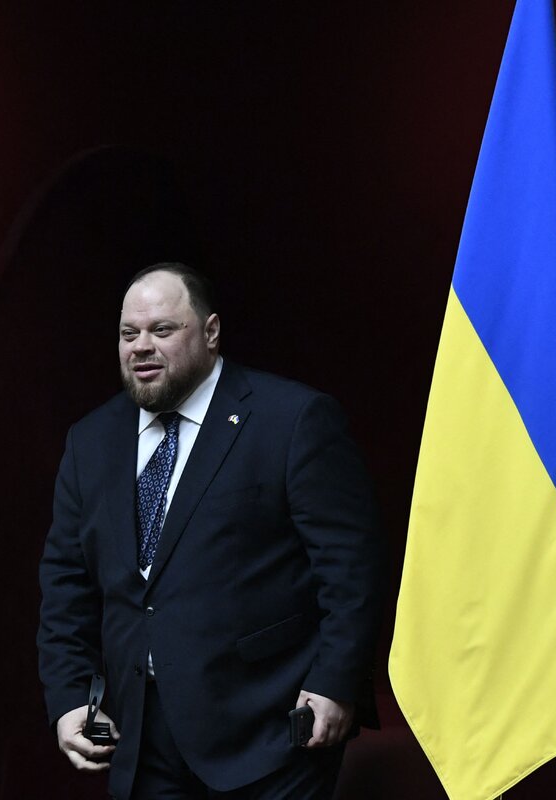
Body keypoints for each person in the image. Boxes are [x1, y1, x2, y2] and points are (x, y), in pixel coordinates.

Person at [38, 263, 382, 799]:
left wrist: (337, 684)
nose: (141, 347)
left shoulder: (292, 420)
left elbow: (351, 571)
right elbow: (66, 586)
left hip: (271, 734)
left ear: (211, 332)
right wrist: (68, 699)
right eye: (129, 334)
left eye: (162, 330)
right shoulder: (91, 441)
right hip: (142, 740)